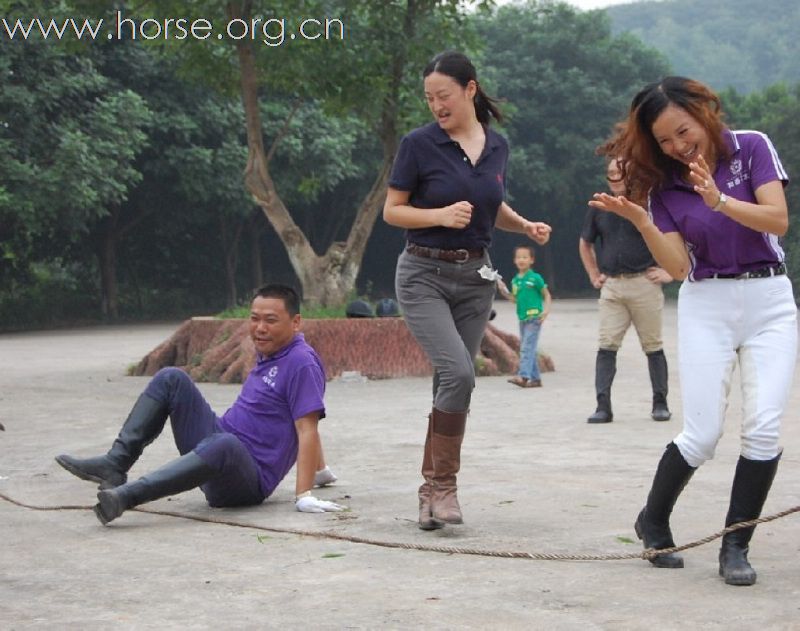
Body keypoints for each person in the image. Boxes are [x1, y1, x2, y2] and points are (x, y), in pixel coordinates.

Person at [589, 76, 796, 586]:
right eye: (665, 141)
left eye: (683, 132)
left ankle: (735, 546)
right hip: (707, 302)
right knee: (702, 435)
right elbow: (679, 267)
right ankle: (653, 521)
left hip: (769, 300)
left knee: (764, 427)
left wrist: (720, 201)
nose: (679, 147)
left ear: (702, 113)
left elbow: (777, 220)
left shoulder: (751, 147)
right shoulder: (664, 186)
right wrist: (644, 223)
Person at [383, 50, 551, 530]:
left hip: (475, 279)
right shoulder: (418, 144)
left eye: (445, 95)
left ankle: (428, 491)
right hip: (423, 275)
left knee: (448, 382)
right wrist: (437, 215)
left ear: (470, 89)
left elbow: (490, 202)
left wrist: (524, 226)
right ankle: (445, 485)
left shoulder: (496, 146)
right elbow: (393, 211)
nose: (436, 105)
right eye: (429, 98)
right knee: (460, 372)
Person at [55, 284, 344, 525]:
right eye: (254, 318)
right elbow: (304, 414)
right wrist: (322, 472)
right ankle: (114, 465)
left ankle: (126, 497)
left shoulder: (301, 363)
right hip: (219, 446)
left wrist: (304, 494)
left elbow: (307, 427)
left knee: (226, 444)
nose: (260, 328)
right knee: (171, 378)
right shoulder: (272, 351)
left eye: (270, 320)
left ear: (295, 322)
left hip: (245, 481)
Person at [579, 156, 673, 423]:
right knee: (606, 345)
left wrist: (668, 272)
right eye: (610, 173)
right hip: (613, 286)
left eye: (620, 172)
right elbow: (585, 242)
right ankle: (603, 406)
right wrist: (593, 274)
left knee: (653, 345)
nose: (615, 178)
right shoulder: (599, 206)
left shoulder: (649, 203)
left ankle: (660, 403)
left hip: (645, 281)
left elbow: (674, 236)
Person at [497, 245, 552, 388]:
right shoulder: (515, 280)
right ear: (514, 260)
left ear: (531, 260)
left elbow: (546, 295)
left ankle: (523, 376)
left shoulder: (535, 278)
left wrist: (545, 311)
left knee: (526, 347)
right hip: (522, 319)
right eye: (519, 257)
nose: (521, 260)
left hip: (534, 318)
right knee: (529, 347)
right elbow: (514, 299)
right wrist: (503, 290)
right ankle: (536, 379)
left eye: (525, 257)